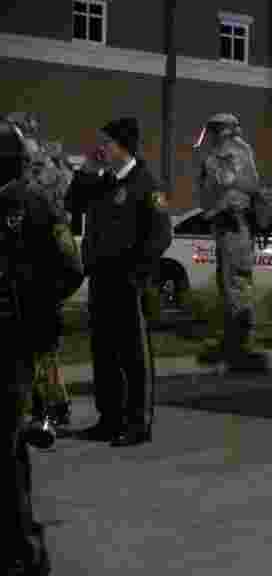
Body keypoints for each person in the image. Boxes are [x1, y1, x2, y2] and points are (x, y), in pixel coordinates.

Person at [70, 117, 170, 447]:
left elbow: (160, 235)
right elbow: (72, 204)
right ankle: (109, 419)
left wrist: (137, 273)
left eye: (107, 143)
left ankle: (138, 423)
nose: (101, 148)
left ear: (123, 146)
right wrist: (87, 168)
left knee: (133, 355)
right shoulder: (102, 182)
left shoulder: (146, 184)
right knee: (104, 352)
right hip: (101, 277)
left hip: (128, 281)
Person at [2, 119, 69, 575]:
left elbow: (68, 267)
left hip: (15, 340)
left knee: (6, 450)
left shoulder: (33, 204)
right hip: (18, 337)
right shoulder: (32, 201)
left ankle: (25, 552)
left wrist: (38, 310)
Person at [195, 113, 264, 366]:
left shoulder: (232, 151)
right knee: (228, 282)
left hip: (234, 221)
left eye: (214, 130)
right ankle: (234, 339)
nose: (210, 135)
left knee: (236, 283)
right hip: (227, 224)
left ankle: (242, 343)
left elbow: (229, 182)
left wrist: (210, 167)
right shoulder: (230, 152)